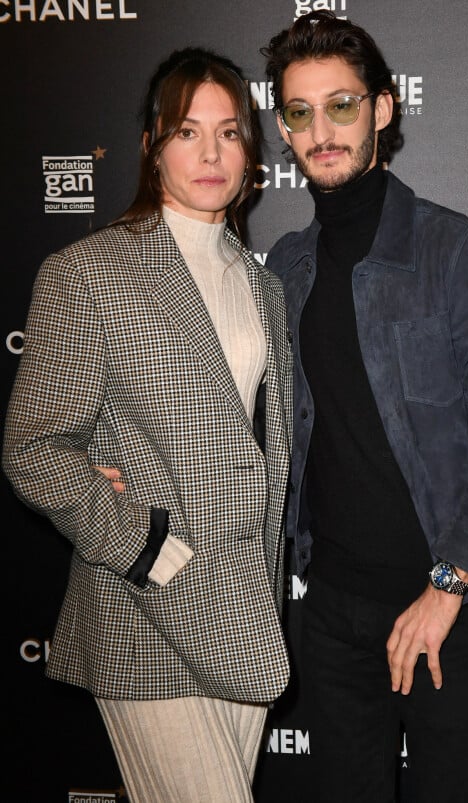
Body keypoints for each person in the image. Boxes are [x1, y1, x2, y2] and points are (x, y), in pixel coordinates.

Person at [261, 11, 468, 802]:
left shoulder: (459, 252)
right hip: (330, 614)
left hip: (446, 613)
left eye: (342, 105)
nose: (321, 130)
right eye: (300, 111)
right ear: (284, 127)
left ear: (383, 110)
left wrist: (446, 584)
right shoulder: (288, 265)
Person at [3, 47, 293, 803]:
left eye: (229, 133)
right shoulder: (87, 273)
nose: (209, 152)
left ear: (250, 153)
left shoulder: (265, 287)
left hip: (243, 605)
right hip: (145, 607)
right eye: (186, 130)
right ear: (151, 146)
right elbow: (33, 448)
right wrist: (144, 549)